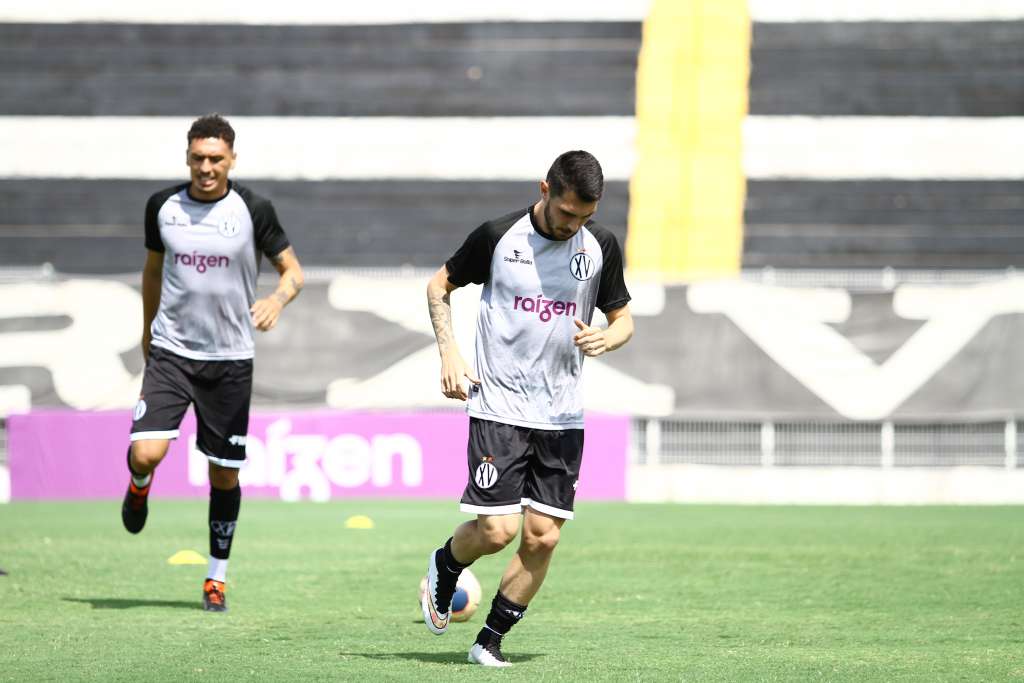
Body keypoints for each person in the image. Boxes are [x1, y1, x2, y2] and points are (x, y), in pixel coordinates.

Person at [421, 150, 634, 665]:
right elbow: (438, 285)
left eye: (585, 217)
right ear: (545, 190)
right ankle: (445, 563)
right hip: (500, 405)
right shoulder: (498, 237)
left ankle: (488, 643)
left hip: (562, 416)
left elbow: (623, 318)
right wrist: (450, 350)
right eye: (566, 214)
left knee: (542, 538)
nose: (573, 226)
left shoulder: (600, 245)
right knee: (497, 531)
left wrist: (610, 336)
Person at [120, 114, 304, 612]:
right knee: (145, 455)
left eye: (216, 159)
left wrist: (275, 301)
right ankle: (139, 487)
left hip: (229, 361)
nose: (206, 167)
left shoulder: (253, 209)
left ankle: (216, 577)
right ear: (187, 157)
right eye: (198, 158)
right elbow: (153, 270)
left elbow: (293, 272)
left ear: (231, 160)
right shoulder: (162, 207)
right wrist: (146, 329)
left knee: (223, 474)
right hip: (172, 351)